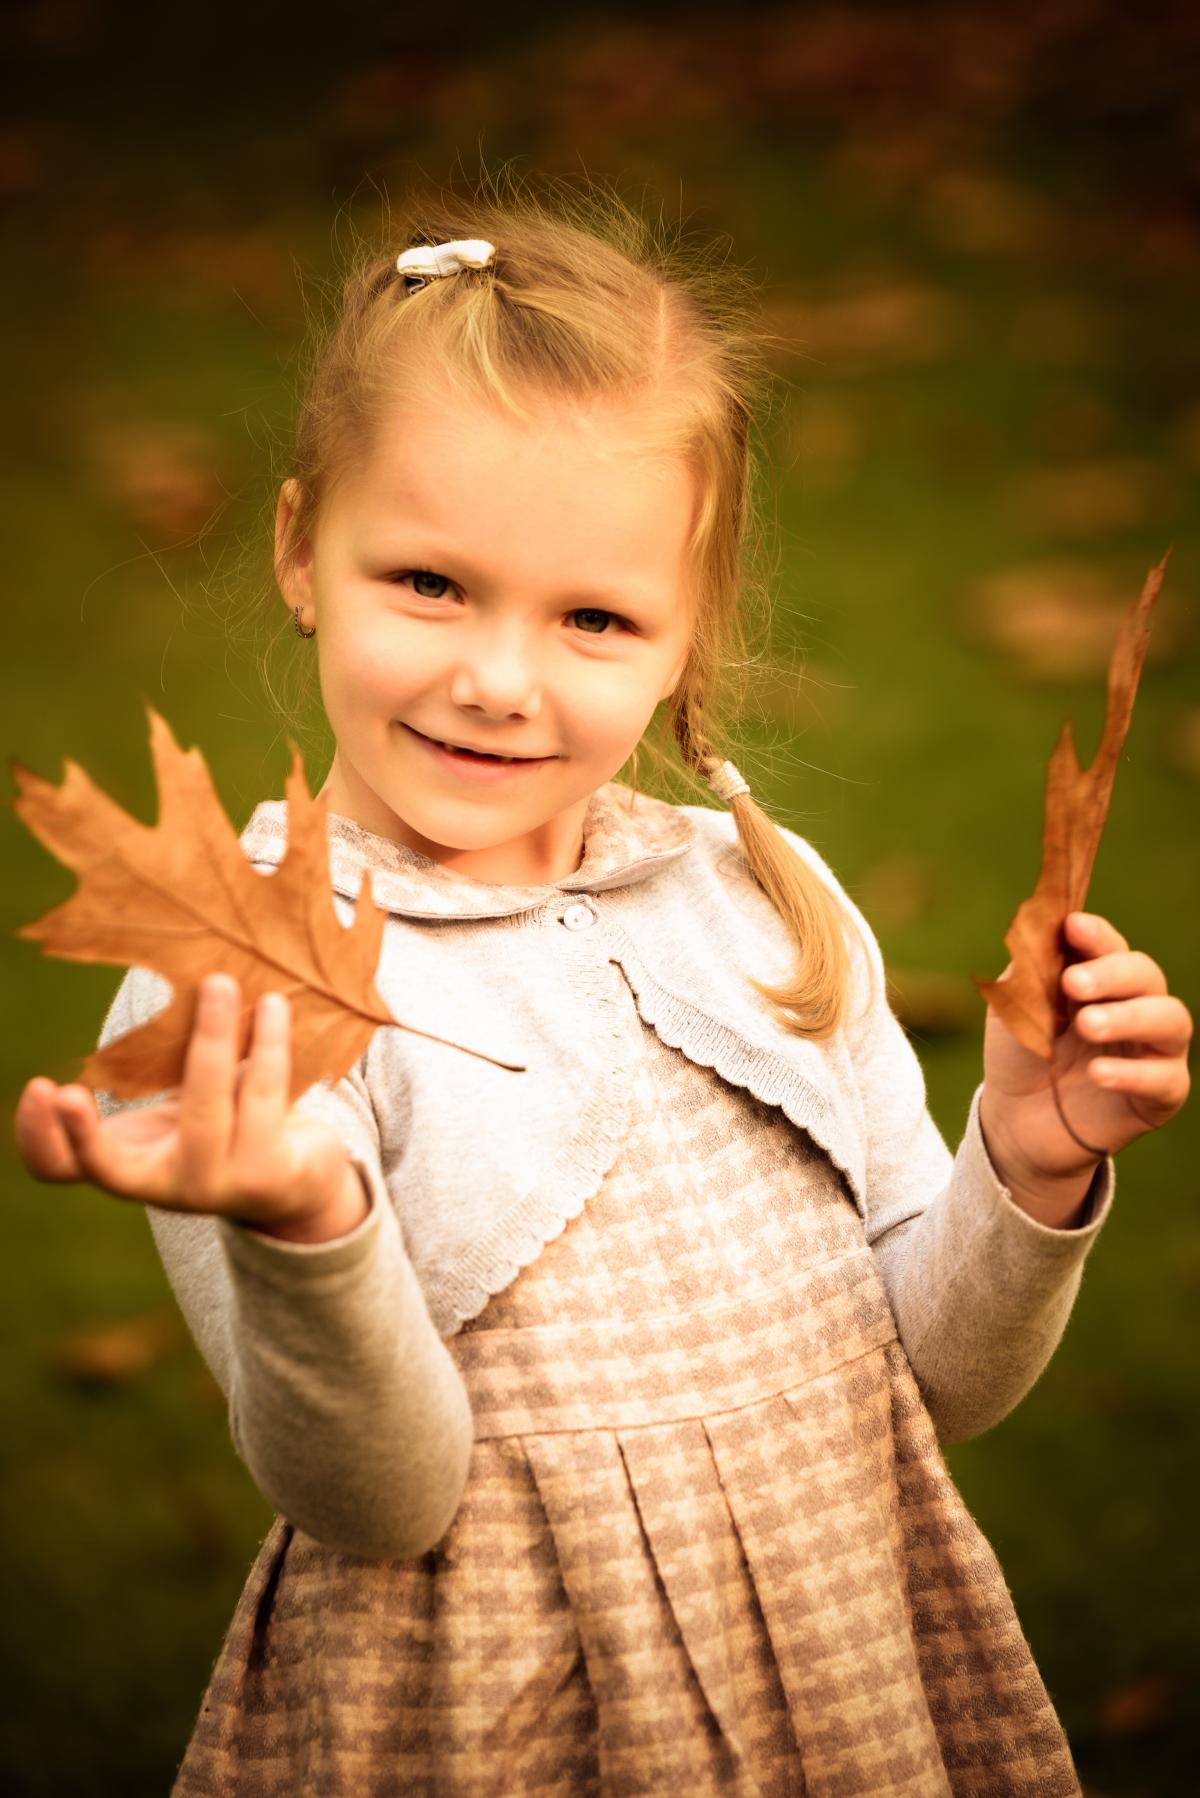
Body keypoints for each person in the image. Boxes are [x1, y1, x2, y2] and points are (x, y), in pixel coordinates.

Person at [14, 173, 1193, 1796]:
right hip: (491, 1714)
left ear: (685, 635)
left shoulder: (760, 902)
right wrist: (306, 1226)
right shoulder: (242, 986)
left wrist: (1033, 1160)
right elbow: (380, 1503)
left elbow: (926, 1384)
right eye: (427, 582)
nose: (497, 679)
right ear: (302, 548)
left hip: (844, 1682)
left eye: (594, 617)